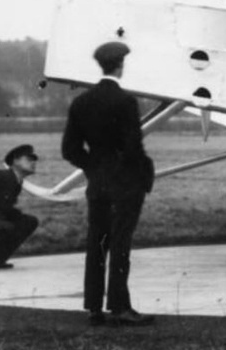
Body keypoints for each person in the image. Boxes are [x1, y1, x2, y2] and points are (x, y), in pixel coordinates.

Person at [62, 41, 156, 326]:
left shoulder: (81, 102)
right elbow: (133, 147)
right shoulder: (125, 102)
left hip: (98, 183)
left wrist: (94, 168)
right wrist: (139, 173)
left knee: (97, 242)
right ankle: (120, 306)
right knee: (120, 243)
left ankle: (93, 306)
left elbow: (70, 149)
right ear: (120, 65)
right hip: (125, 184)